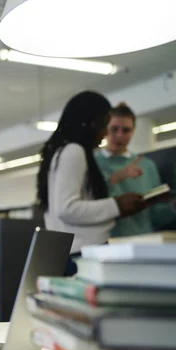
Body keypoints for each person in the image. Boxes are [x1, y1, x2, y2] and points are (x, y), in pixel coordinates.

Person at [36, 91, 146, 275]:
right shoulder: (74, 151)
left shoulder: (59, 151)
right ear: (90, 124)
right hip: (81, 253)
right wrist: (117, 205)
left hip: (68, 251)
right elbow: (66, 208)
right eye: (104, 125)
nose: (104, 133)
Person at [95, 102, 176, 237]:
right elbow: (88, 208)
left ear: (133, 131)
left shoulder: (146, 165)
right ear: (105, 129)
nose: (119, 135)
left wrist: (172, 207)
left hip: (144, 242)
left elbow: (154, 216)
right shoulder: (92, 163)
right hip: (107, 244)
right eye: (114, 129)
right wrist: (117, 177)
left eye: (126, 130)